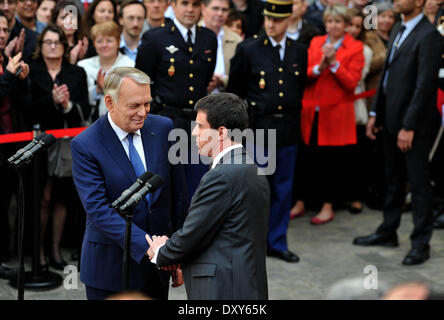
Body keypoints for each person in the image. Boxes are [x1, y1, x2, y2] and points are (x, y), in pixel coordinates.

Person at [71, 66, 189, 300]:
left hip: (157, 267)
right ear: (110, 102)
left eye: (146, 103)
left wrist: (177, 252)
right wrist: (149, 247)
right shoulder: (85, 144)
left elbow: (178, 196)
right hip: (110, 269)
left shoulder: (163, 127)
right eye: (134, 105)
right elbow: (98, 209)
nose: (143, 112)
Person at [146, 93, 270, 300]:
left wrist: (161, 251)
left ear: (221, 132)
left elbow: (194, 232)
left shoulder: (221, 176)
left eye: (201, 126)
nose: (194, 133)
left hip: (223, 290)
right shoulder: (251, 168)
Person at [353, 0, 443, 266]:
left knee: (417, 184)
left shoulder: (430, 36)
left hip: (414, 126)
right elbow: (387, 77)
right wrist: (374, 114)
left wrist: (409, 126)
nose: (396, 1)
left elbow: (423, 86)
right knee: (392, 179)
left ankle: (420, 243)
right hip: (390, 120)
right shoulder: (398, 29)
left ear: (418, 2)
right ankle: (388, 230)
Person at [227, 0, 307, 262]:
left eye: (277, 19)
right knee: (257, 191)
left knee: (283, 191)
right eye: (268, 18)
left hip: (288, 129)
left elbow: (299, 88)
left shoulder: (299, 51)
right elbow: (235, 92)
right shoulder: (249, 49)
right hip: (259, 130)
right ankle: (252, 244)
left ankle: (277, 242)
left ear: (288, 20)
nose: (271, 24)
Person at [135, 0, 217, 199]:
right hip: (167, 120)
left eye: (195, 4)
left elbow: (204, 79)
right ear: (173, 5)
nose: (190, 9)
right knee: (166, 185)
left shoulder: (208, 38)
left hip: (198, 123)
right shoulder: (155, 38)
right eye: (184, 3)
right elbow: (143, 81)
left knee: (197, 185)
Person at [294, 4, 364, 224]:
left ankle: (327, 205)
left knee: (330, 163)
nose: (333, 26)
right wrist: (318, 67)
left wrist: (334, 64)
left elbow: (351, 83)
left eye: (338, 22)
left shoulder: (355, 48)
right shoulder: (316, 42)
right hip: (311, 113)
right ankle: (301, 202)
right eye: (330, 21)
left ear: (345, 25)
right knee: (305, 158)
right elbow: (303, 74)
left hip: (335, 115)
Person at [30, 25, 90, 271]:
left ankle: (55, 249)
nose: (53, 46)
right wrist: (51, 101)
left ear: (65, 47)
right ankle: (39, 252)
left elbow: (85, 109)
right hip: (37, 143)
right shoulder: (31, 71)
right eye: (48, 42)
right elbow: (26, 108)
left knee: (63, 197)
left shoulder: (76, 73)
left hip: (67, 142)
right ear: (41, 45)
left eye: (58, 42)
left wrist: (66, 105)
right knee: (43, 197)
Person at [0, 9, 31, 280]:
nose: (1, 35)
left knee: (6, 201)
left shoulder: (5, 59)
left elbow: (20, 101)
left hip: (11, 143)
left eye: (3, 30)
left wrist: (21, 78)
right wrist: (9, 76)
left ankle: (4, 258)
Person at [345, 7, 373, 214]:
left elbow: (356, 79)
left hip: (354, 106)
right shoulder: (329, 45)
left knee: (355, 155)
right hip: (331, 106)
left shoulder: (365, 50)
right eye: (350, 25)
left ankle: (355, 196)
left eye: (358, 26)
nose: (353, 30)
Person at [78, 21, 134, 121]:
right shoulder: (83, 66)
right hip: (89, 124)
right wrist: (98, 89)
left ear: (118, 41)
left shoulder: (129, 65)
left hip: (122, 121)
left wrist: (109, 90)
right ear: (94, 43)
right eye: (99, 41)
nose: (104, 45)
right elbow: (80, 100)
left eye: (109, 41)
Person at [200, 0, 242, 93]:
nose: (220, 14)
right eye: (215, 8)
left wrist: (221, 81)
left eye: (224, 10)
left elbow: (241, 76)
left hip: (226, 101)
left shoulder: (236, 41)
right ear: (203, 9)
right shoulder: (191, 35)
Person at [51, 0, 89, 64]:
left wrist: (83, 58)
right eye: (63, 18)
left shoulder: (85, 44)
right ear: (55, 21)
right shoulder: (50, 45)